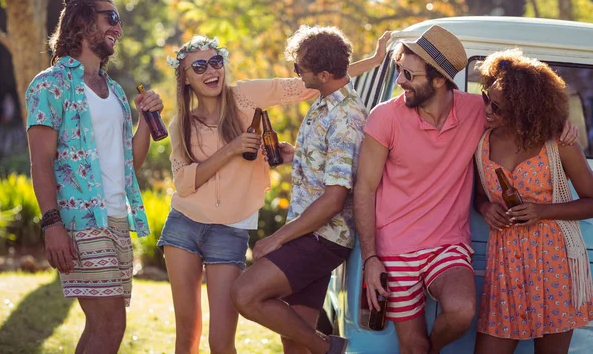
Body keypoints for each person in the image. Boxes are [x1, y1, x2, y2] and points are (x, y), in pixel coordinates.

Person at [158, 28, 390, 354]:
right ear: (184, 78)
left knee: (226, 331)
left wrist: (372, 61)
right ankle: (325, 347)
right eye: (199, 67)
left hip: (237, 229)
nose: (211, 70)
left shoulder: (248, 96)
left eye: (215, 62)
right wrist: (244, 150)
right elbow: (183, 183)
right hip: (185, 224)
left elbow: (313, 81)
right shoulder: (180, 123)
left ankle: (327, 347)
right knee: (190, 334)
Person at [353, 25, 578, 354]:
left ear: (440, 80)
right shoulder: (385, 116)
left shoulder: (479, 110)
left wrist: (562, 124)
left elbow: (526, 107)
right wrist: (371, 257)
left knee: (461, 310)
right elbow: (365, 188)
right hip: (394, 246)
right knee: (411, 346)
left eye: (409, 75)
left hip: (447, 244)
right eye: (400, 71)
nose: (400, 81)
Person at [25, 0, 162, 353]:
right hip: (79, 220)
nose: (118, 26)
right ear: (82, 21)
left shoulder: (114, 90)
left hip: (116, 218)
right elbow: (40, 160)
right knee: (109, 323)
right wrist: (51, 223)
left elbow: (129, 163)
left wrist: (146, 122)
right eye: (111, 17)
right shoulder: (49, 84)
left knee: (105, 326)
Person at [228, 25, 369, 354]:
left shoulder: (346, 117)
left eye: (299, 68)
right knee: (294, 342)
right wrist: (300, 156)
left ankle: (330, 348)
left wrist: (277, 238)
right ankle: (320, 347)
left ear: (322, 74)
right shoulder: (325, 104)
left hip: (322, 238)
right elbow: (332, 169)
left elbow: (335, 198)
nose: (294, 73)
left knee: (245, 294)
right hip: (312, 234)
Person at [473, 49, 593, 354]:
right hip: (505, 264)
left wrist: (543, 211)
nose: (487, 108)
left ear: (524, 108)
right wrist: (486, 207)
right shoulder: (480, 142)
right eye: (486, 96)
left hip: (554, 261)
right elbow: (475, 193)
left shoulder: (558, 144)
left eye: (497, 106)